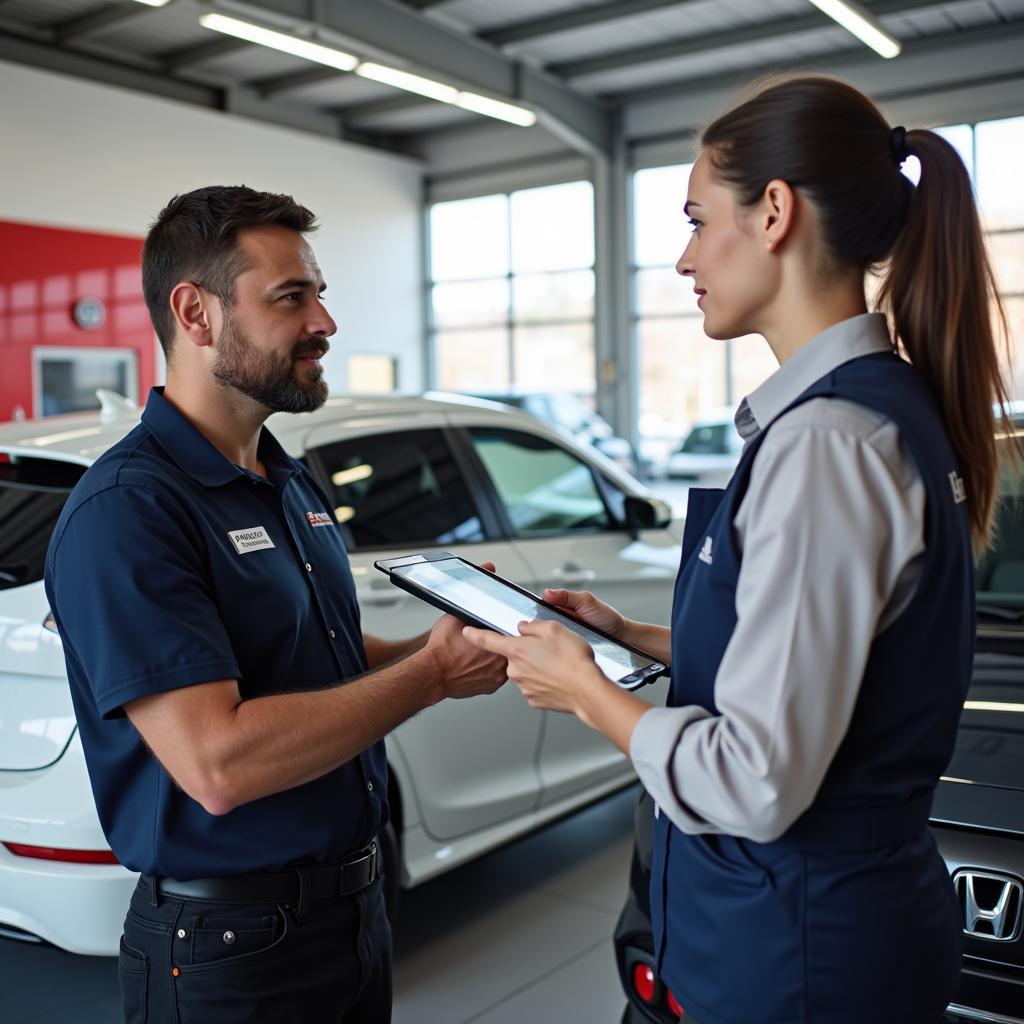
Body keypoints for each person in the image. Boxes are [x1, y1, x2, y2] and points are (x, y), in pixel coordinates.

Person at [464, 75, 1013, 1023]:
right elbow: (832, 662)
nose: (682, 259)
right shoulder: (875, 411)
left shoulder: (830, 443)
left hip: (801, 952)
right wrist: (633, 637)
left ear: (773, 212)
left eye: (694, 217)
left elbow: (756, 780)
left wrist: (586, 693)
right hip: (831, 932)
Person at [43, 185, 508, 1024]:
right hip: (228, 947)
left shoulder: (282, 479)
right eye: (291, 297)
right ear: (196, 314)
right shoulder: (132, 508)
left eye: (319, 293)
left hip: (351, 914)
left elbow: (317, 657)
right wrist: (432, 678)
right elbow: (219, 765)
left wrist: (446, 645)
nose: (324, 321)